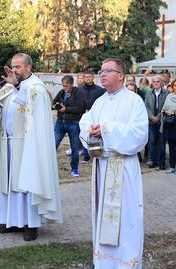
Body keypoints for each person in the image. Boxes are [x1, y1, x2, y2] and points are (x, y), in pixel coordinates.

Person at [80, 58, 148, 269]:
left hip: (123, 167)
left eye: (108, 70)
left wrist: (107, 130)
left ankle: (126, 262)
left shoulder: (133, 101)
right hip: (102, 167)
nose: (102, 74)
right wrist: (91, 130)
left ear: (121, 75)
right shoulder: (100, 101)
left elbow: (139, 134)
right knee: (103, 216)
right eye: (101, 70)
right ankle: (104, 262)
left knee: (126, 218)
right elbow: (85, 121)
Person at [0, 53, 62, 241]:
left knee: (27, 183)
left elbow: (32, 107)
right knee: (9, 184)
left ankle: (30, 224)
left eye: (18, 67)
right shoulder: (8, 88)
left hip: (28, 145)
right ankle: (9, 220)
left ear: (28, 68)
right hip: (8, 142)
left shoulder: (36, 87)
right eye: (12, 66)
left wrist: (16, 86)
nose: (14, 70)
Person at [53, 75, 85, 177]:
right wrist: (56, 106)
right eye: (63, 85)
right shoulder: (62, 92)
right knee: (53, 144)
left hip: (73, 124)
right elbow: (54, 101)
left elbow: (80, 108)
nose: (64, 87)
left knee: (74, 148)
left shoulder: (79, 93)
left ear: (71, 84)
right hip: (60, 123)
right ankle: (50, 166)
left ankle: (74, 169)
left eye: (66, 85)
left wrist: (66, 109)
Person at [78, 71, 106, 163]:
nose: (87, 78)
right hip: (80, 115)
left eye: (89, 76)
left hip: (94, 117)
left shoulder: (100, 90)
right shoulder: (79, 90)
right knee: (83, 135)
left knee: (91, 135)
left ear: (93, 77)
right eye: (86, 76)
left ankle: (91, 154)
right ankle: (84, 154)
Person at [145, 75, 168, 169]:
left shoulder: (166, 93)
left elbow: (165, 106)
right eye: (154, 81)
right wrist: (151, 117)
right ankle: (151, 160)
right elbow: (146, 106)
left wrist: (158, 117)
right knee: (152, 140)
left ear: (161, 83)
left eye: (157, 81)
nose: (155, 83)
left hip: (162, 120)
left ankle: (160, 161)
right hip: (151, 121)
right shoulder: (148, 92)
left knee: (161, 141)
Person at [160, 79, 176, 174]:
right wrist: (167, 112)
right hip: (169, 124)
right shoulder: (169, 96)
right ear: (172, 86)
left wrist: (174, 112)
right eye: (175, 85)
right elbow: (163, 109)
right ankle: (172, 167)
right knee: (171, 147)